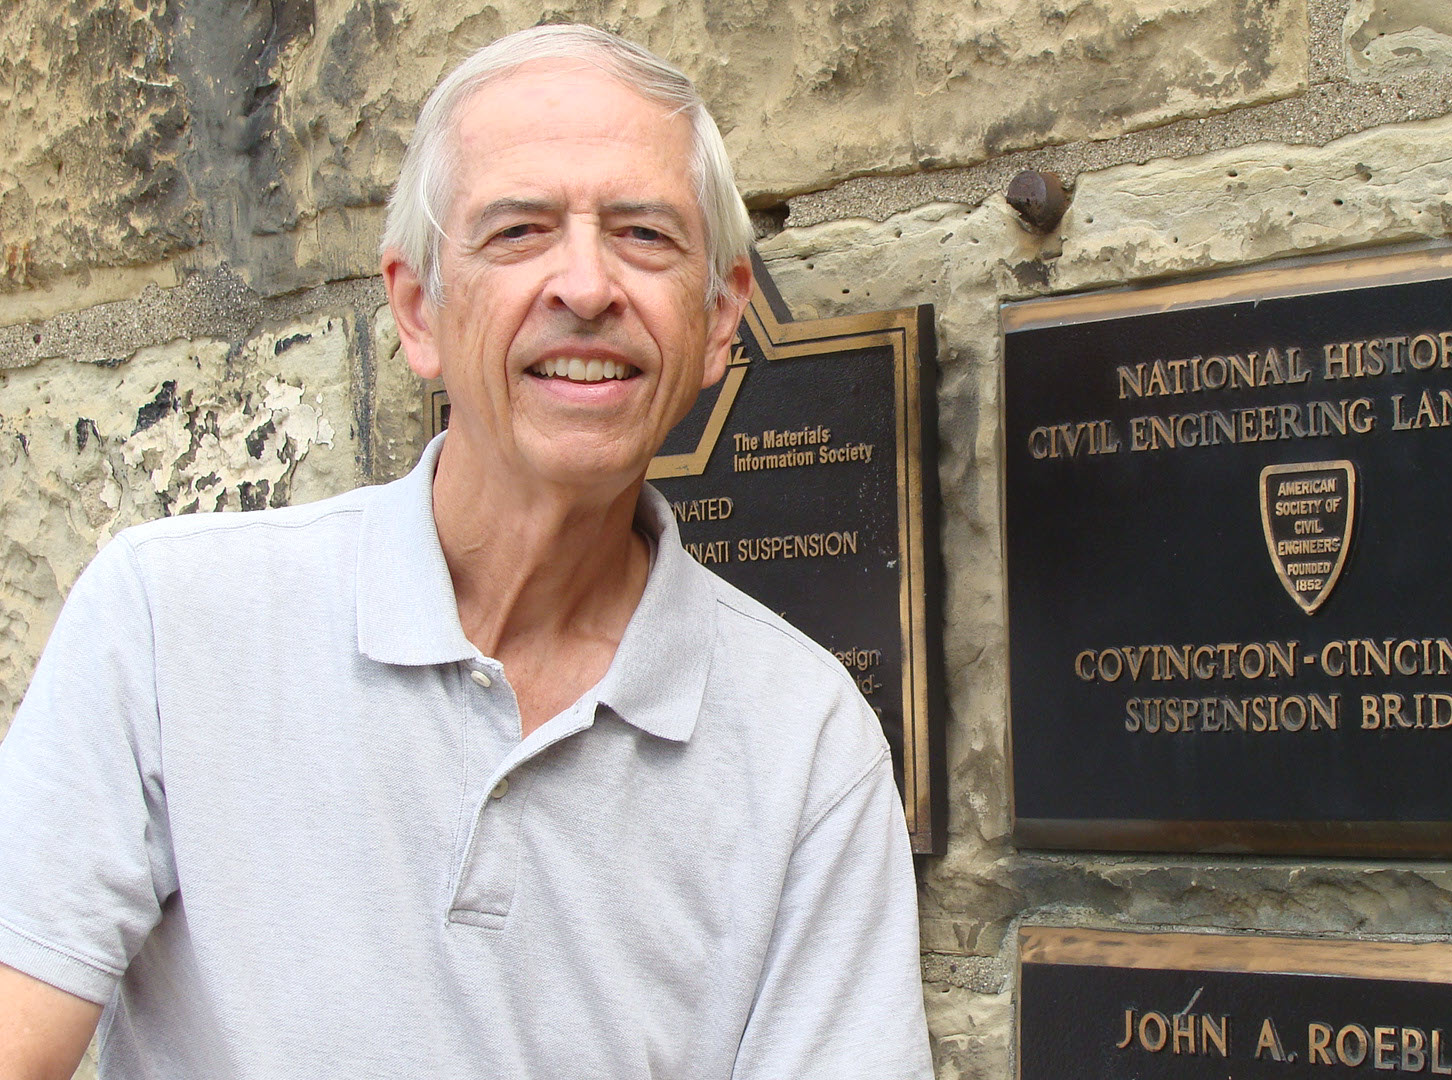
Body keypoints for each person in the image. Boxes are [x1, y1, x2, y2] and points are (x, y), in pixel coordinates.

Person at [0, 24, 934, 1080]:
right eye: (519, 232)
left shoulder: (809, 747)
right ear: (417, 310)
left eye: (643, 235)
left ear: (721, 319)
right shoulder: (168, 625)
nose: (586, 286)